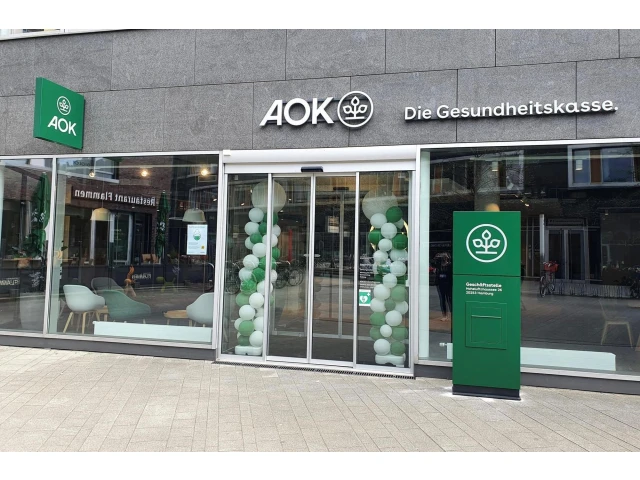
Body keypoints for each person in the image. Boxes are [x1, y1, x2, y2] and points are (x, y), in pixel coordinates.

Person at [434, 252, 452, 321]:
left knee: (449, 299)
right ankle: (444, 315)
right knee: (442, 299)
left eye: (444, 257)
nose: (443, 259)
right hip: (441, 284)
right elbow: (434, 260)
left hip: (448, 284)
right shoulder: (439, 265)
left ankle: (452, 314)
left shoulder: (450, 265)